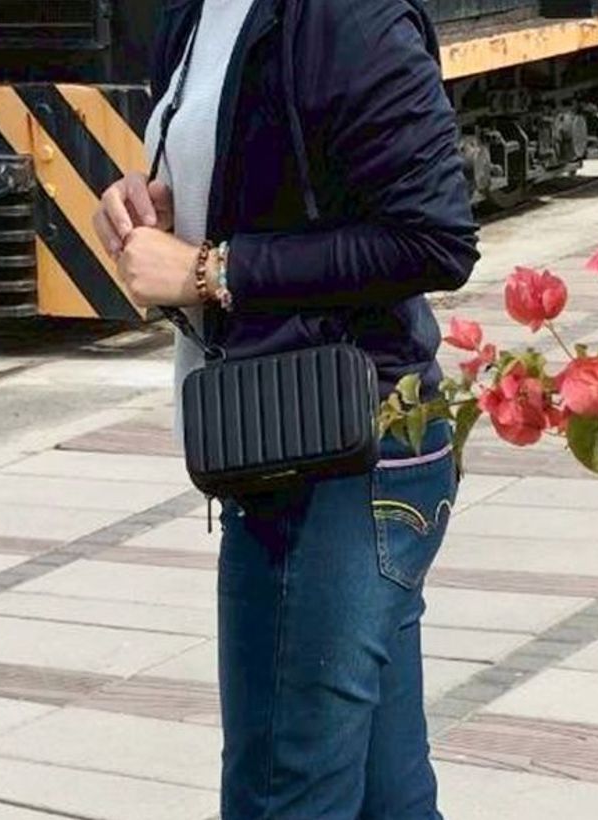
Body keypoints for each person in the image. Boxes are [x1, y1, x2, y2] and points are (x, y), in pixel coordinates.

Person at [92, 0, 479, 816]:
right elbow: (267, 178)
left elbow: (434, 238)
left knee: (282, 796)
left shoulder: (348, 17)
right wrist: (152, 204)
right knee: (385, 801)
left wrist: (210, 270)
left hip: (342, 461)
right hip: (287, 448)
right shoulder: (196, 14)